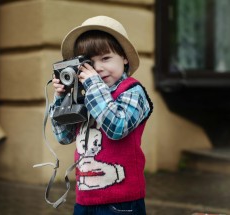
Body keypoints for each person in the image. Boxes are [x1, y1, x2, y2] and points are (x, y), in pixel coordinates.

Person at [50, 16, 153, 215]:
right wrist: (61, 97)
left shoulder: (132, 91)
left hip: (122, 202)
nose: (97, 68)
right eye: (90, 62)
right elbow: (64, 137)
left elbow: (117, 127)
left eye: (105, 58)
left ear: (124, 57)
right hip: (85, 200)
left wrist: (93, 86)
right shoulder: (87, 93)